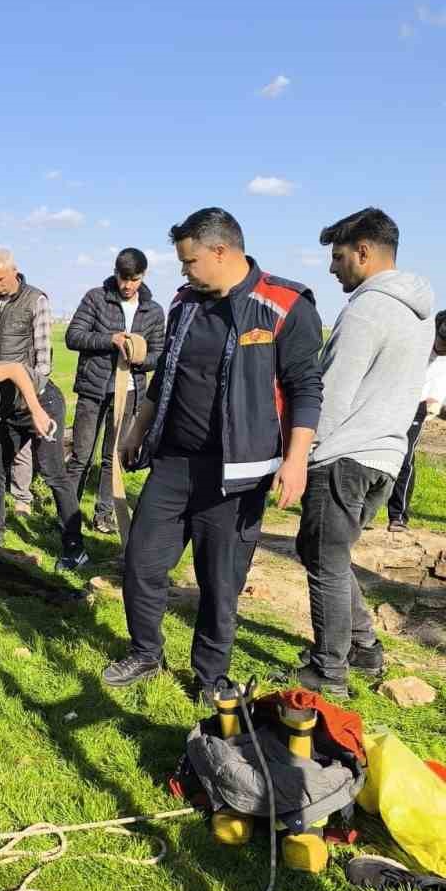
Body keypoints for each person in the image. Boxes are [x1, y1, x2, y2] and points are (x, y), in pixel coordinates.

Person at [105, 207, 322, 699]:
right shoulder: (186, 304)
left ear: (221, 252)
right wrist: (137, 430)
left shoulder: (284, 305)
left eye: (190, 262)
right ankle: (145, 653)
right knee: (142, 562)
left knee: (220, 583)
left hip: (237, 473)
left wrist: (296, 459)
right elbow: (167, 377)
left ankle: (209, 678)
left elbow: (305, 387)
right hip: (174, 462)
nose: (184, 271)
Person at [295, 210, 435, 692]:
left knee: (325, 561)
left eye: (337, 258)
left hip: (345, 455)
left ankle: (329, 671)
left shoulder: (366, 308)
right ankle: (364, 649)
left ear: (364, 252)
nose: (333, 269)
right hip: (386, 456)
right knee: (321, 553)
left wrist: (302, 453)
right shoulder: (417, 312)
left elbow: (332, 391)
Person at [0, 249, 87, 569]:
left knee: (52, 470)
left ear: (14, 272)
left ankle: (75, 546)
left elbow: (40, 363)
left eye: (0, 278)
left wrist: (35, 408)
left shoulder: (35, 300)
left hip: (40, 400)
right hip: (5, 401)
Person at [65, 248, 165, 533]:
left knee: (113, 458)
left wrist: (140, 358)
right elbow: (74, 336)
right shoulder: (96, 298)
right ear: (115, 273)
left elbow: (160, 354)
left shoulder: (154, 311)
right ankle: (67, 513)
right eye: (123, 278)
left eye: (133, 279)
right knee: (82, 455)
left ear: (142, 277)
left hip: (131, 394)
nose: (127, 285)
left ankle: (104, 515)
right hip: (93, 389)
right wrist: (110, 340)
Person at [387, 309, 446, 530]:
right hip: (389, 399)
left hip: (417, 405)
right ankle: (360, 510)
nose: (442, 349)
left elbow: (440, 383)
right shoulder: (415, 339)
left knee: (405, 458)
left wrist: (436, 399)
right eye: (441, 342)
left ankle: (398, 516)